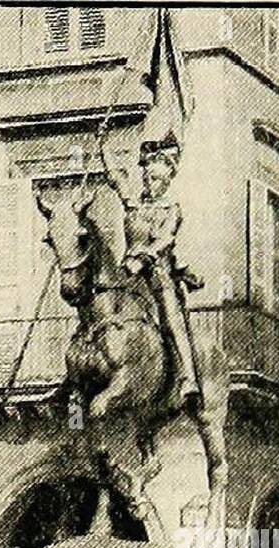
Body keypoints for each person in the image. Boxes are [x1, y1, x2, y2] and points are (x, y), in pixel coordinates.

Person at [100, 130, 203, 401]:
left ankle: (188, 378)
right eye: (147, 177)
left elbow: (165, 240)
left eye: (156, 179)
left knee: (171, 318)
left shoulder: (172, 210)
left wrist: (142, 257)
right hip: (128, 272)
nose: (150, 183)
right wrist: (103, 146)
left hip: (157, 274)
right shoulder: (133, 203)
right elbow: (115, 176)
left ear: (167, 180)